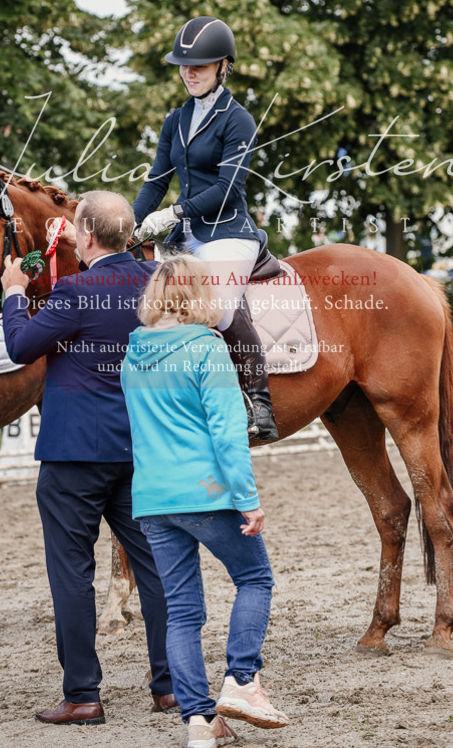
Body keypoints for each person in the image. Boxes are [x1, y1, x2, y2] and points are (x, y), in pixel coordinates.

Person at [0, 190, 176, 726]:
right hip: (141, 448)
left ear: (89, 237)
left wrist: (13, 292)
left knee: (72, 575)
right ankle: (170, 685)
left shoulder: (75, 290)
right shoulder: (157, 287)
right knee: (156, 569)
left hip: (74, 453)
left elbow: (20, 346)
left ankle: (83, 694)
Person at [121, 254, 289, 748]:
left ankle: (199, 721)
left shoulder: (133, 353)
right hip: (207, 493)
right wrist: (247, 499)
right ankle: (241, 680)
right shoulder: (207, 348)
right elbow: (228, 433)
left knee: (182, 612)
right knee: (255, 579)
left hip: (152, 498)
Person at [132, 16, 279, 442]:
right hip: (184, 236)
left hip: (228, 233)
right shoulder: (175, 120)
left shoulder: (239, 120)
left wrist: (175, 214)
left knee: (219, 308)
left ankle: (259, 402)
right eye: (183, 65)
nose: (189, 72)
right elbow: (157, 180)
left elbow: (228, 186)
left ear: (223, 66)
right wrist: (130, 224)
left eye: (199, 65)